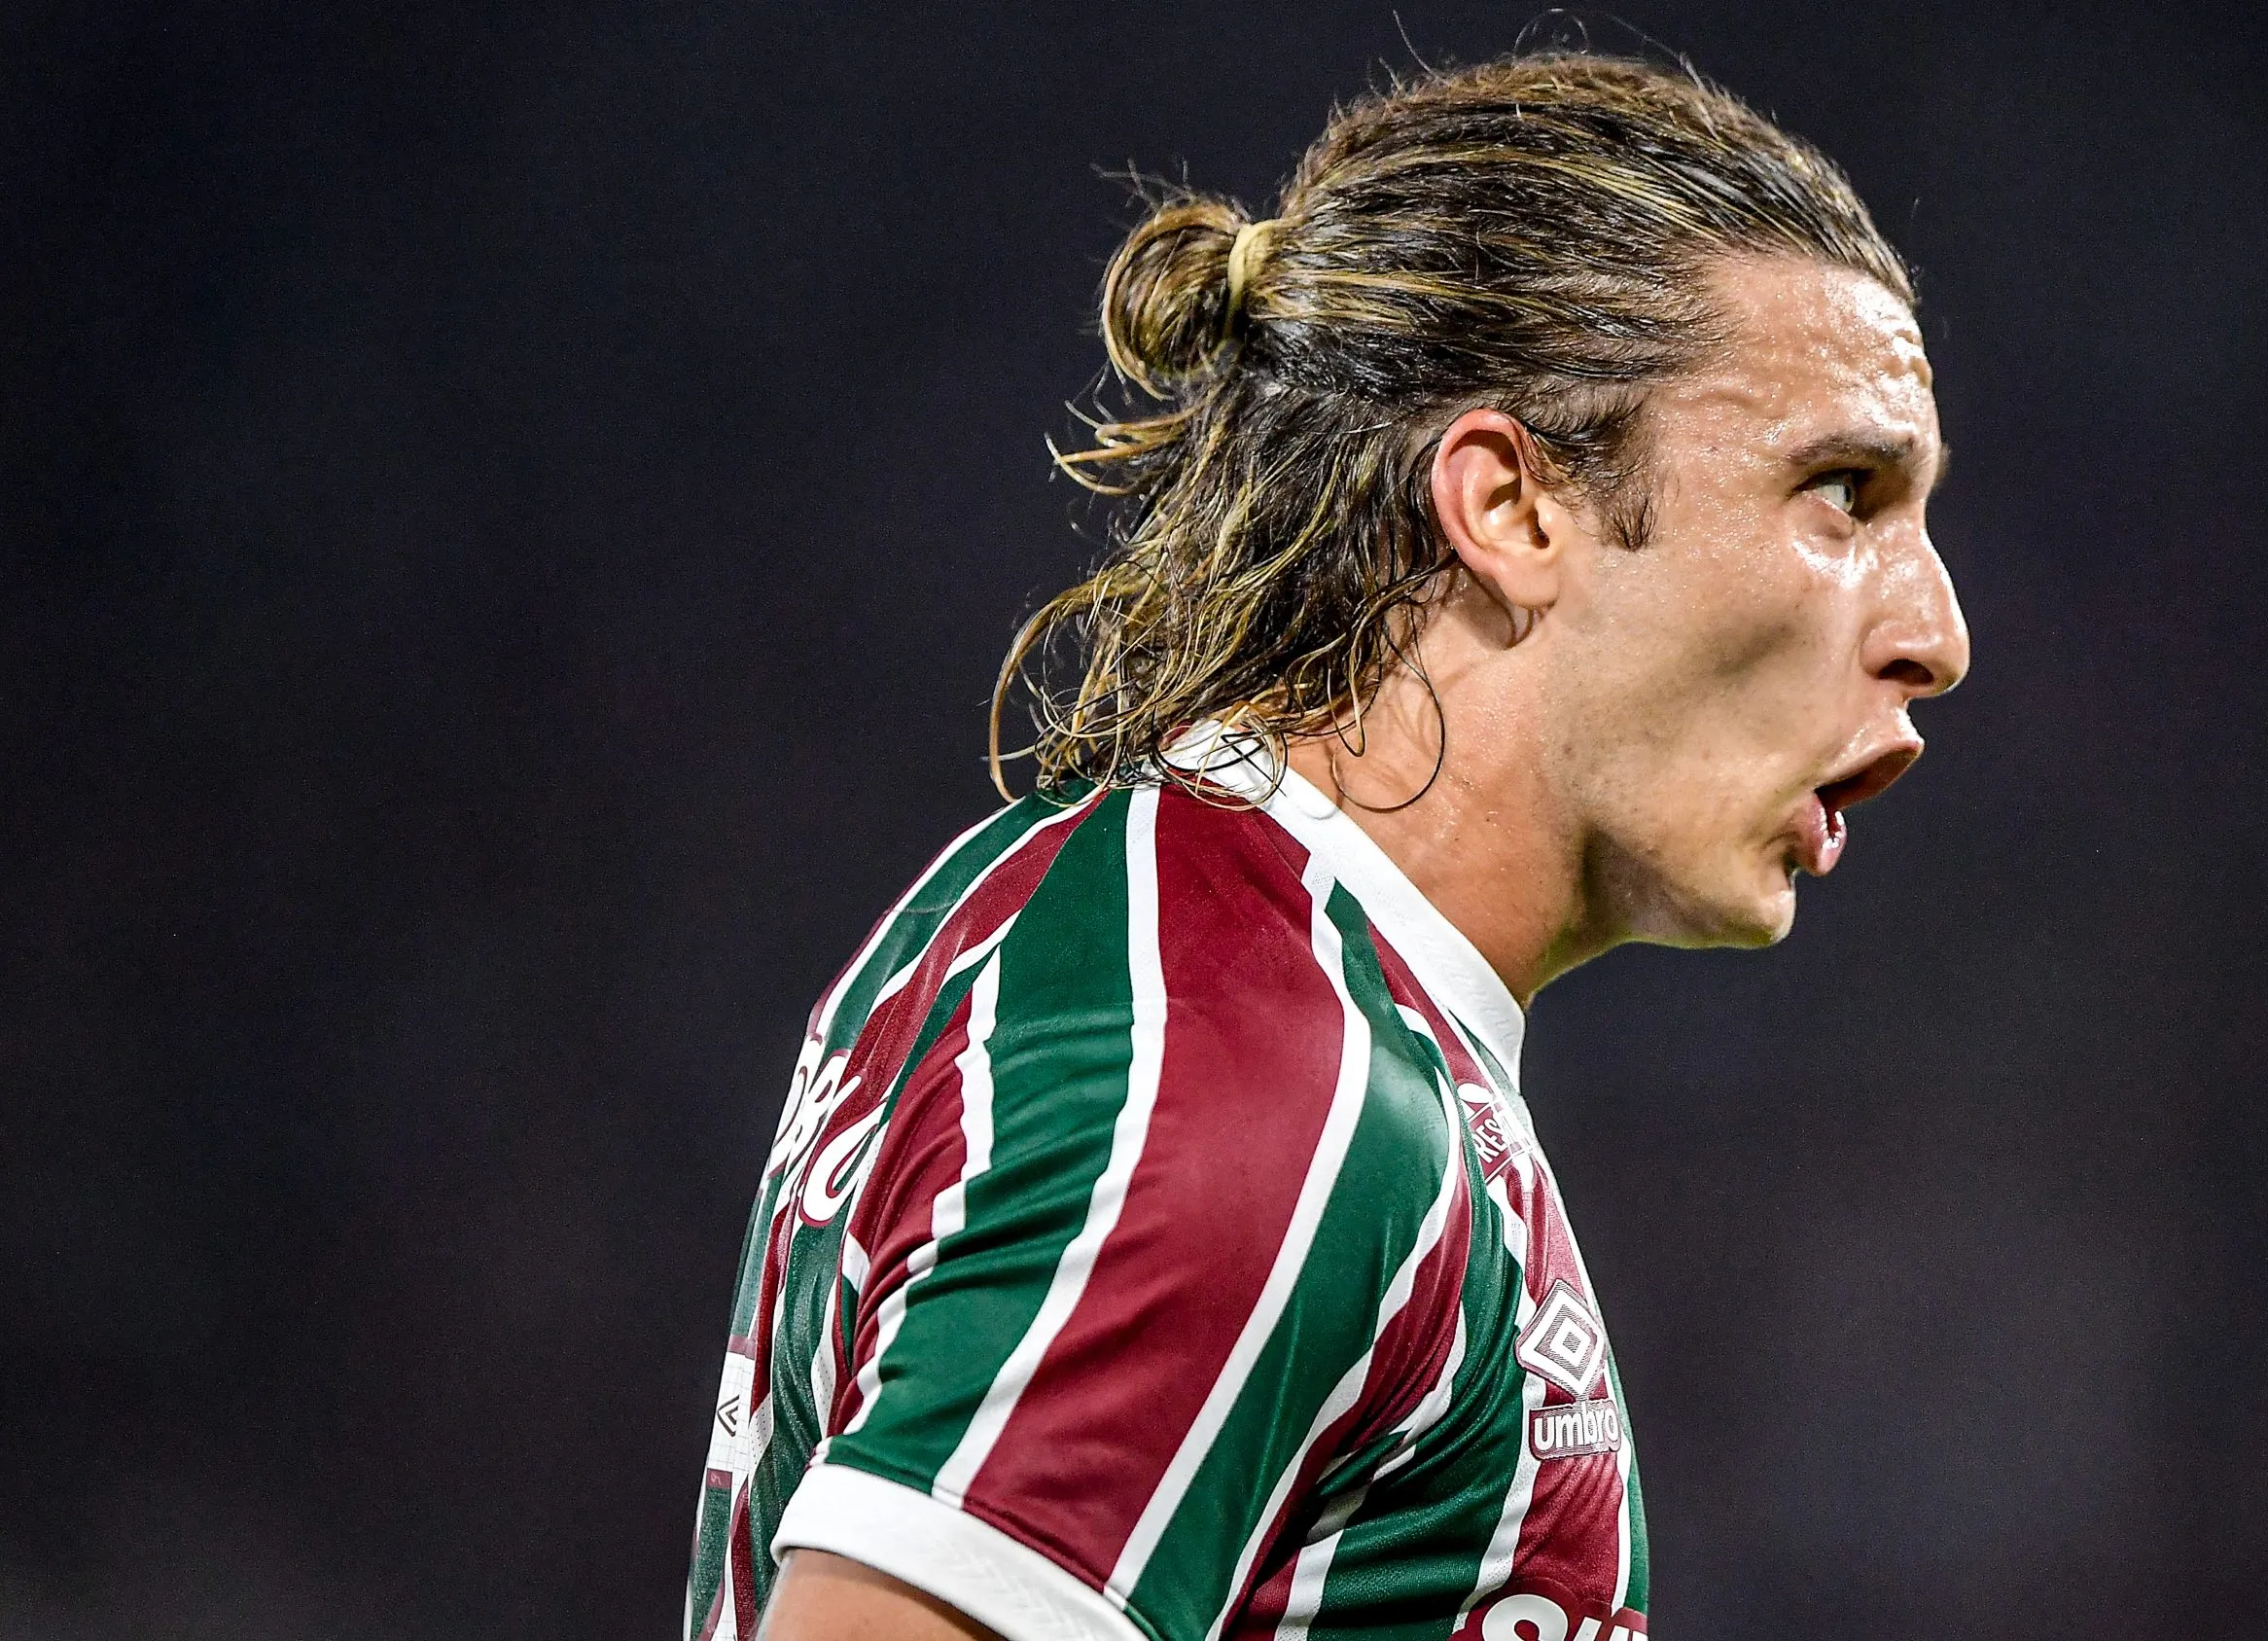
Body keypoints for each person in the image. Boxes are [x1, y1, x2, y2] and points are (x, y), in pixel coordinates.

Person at [685, 51, 1968, 1641]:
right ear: (1510, 505)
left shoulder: (1194, 962)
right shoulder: (1257, 1080)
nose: (1938, 632)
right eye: (1842, 492)